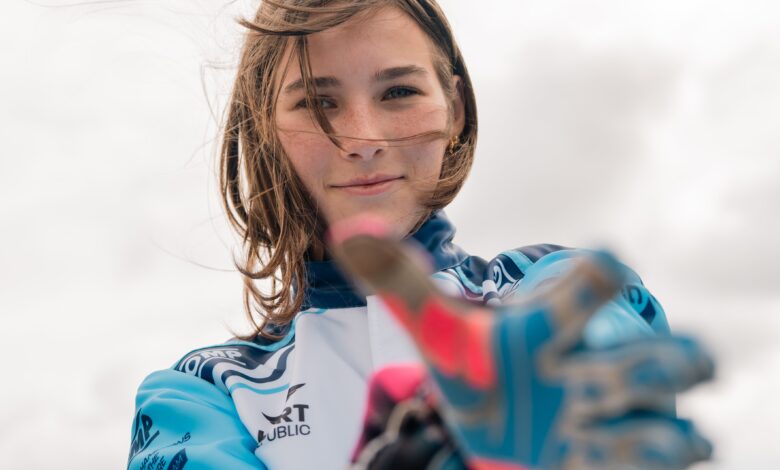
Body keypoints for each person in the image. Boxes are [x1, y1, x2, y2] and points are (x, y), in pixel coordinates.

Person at [127, 1, 713, 469]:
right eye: (318, 102)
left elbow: (592, 335)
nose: (362, 138)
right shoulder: (203, 392)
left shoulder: (554, 284)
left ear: (454, 107)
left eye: (398, 92)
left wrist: (543, 383)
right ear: (264, 127)